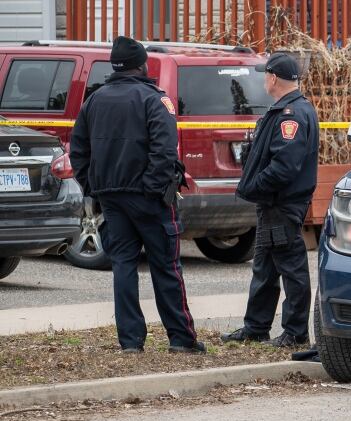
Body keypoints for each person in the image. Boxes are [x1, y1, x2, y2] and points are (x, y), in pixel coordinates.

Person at [70, 36, 204, 354]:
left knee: (124, 266)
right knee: (166, 267)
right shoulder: (153, 99)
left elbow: (78, 151)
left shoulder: (94, 100)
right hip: (149, 199)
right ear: (141, 66)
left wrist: (94, 187)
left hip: (112, 199)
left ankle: (131, 342)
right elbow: (164, 149)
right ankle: (181, 339)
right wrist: (154, 188)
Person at [222, 52, 319, 348]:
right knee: (264, 268)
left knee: (291, 268)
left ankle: (295, 332)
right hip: (272, 205)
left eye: (265, 74)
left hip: (281, 204)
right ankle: (256, 327)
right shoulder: (285, 110)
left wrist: (255, 187)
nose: (264, 78)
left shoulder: (292, 115)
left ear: (273, 77)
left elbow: (284, 167)